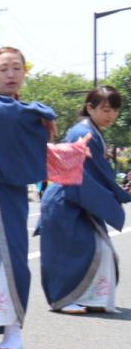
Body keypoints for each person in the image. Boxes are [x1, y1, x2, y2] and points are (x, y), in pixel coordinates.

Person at [0, 47, 89, 349]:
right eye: (4, 68)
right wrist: (45, 113)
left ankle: (13, 331)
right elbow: (12, 113)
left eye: (17, 68)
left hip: (7, 190)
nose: (11, 74)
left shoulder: (26, 113)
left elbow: (36, 150)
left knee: (12, 258)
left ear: (24, 73)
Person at [37, 86, 130, 314]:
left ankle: (92, 299)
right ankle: (62, 298)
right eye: (106, 109)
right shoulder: (83, 132)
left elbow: (95, 172)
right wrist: (120, 193)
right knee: (68, 252)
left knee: (96, 249)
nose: (111, 115)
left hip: (76, 197)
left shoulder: (91, 130)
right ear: (90, 107)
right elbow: (90, 173)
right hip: (67, 198)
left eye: (115, 110)